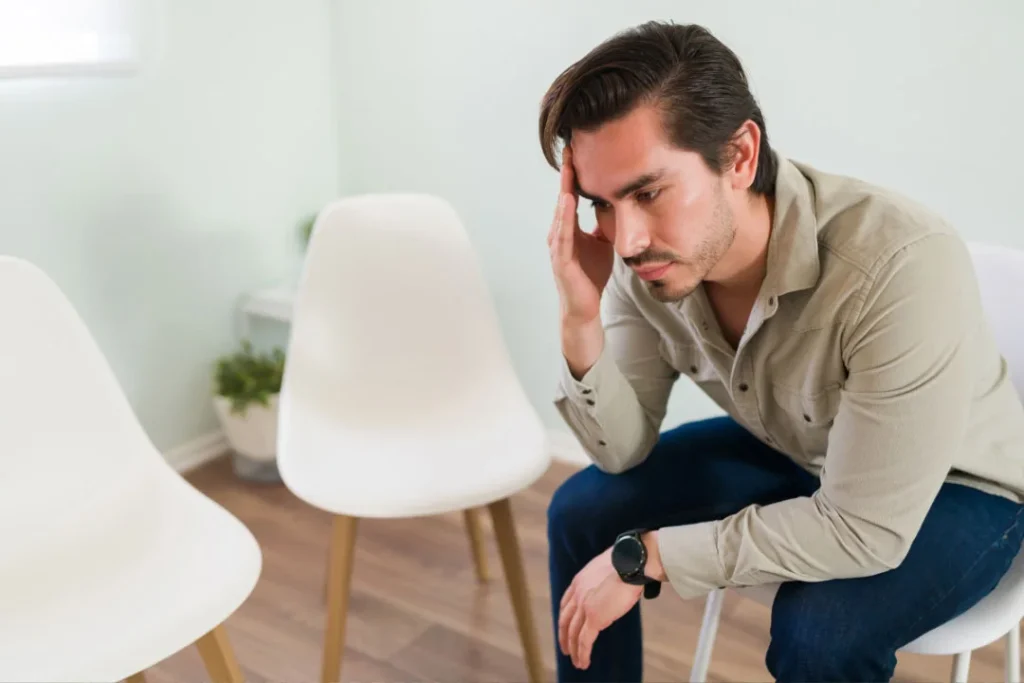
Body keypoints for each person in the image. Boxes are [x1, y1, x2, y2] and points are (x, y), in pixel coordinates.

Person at [540, 20, 1024, 683]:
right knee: (581, 509)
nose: (625, 239)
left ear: (739, 155)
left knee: (819, 631)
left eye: (648, 192)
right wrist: (579, 317)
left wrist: (648, 555)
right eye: (601, 204)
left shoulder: (899, 265)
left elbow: (862, 528)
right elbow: (619, 450)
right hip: (800, 448)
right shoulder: (645, 264)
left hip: (958, 487)